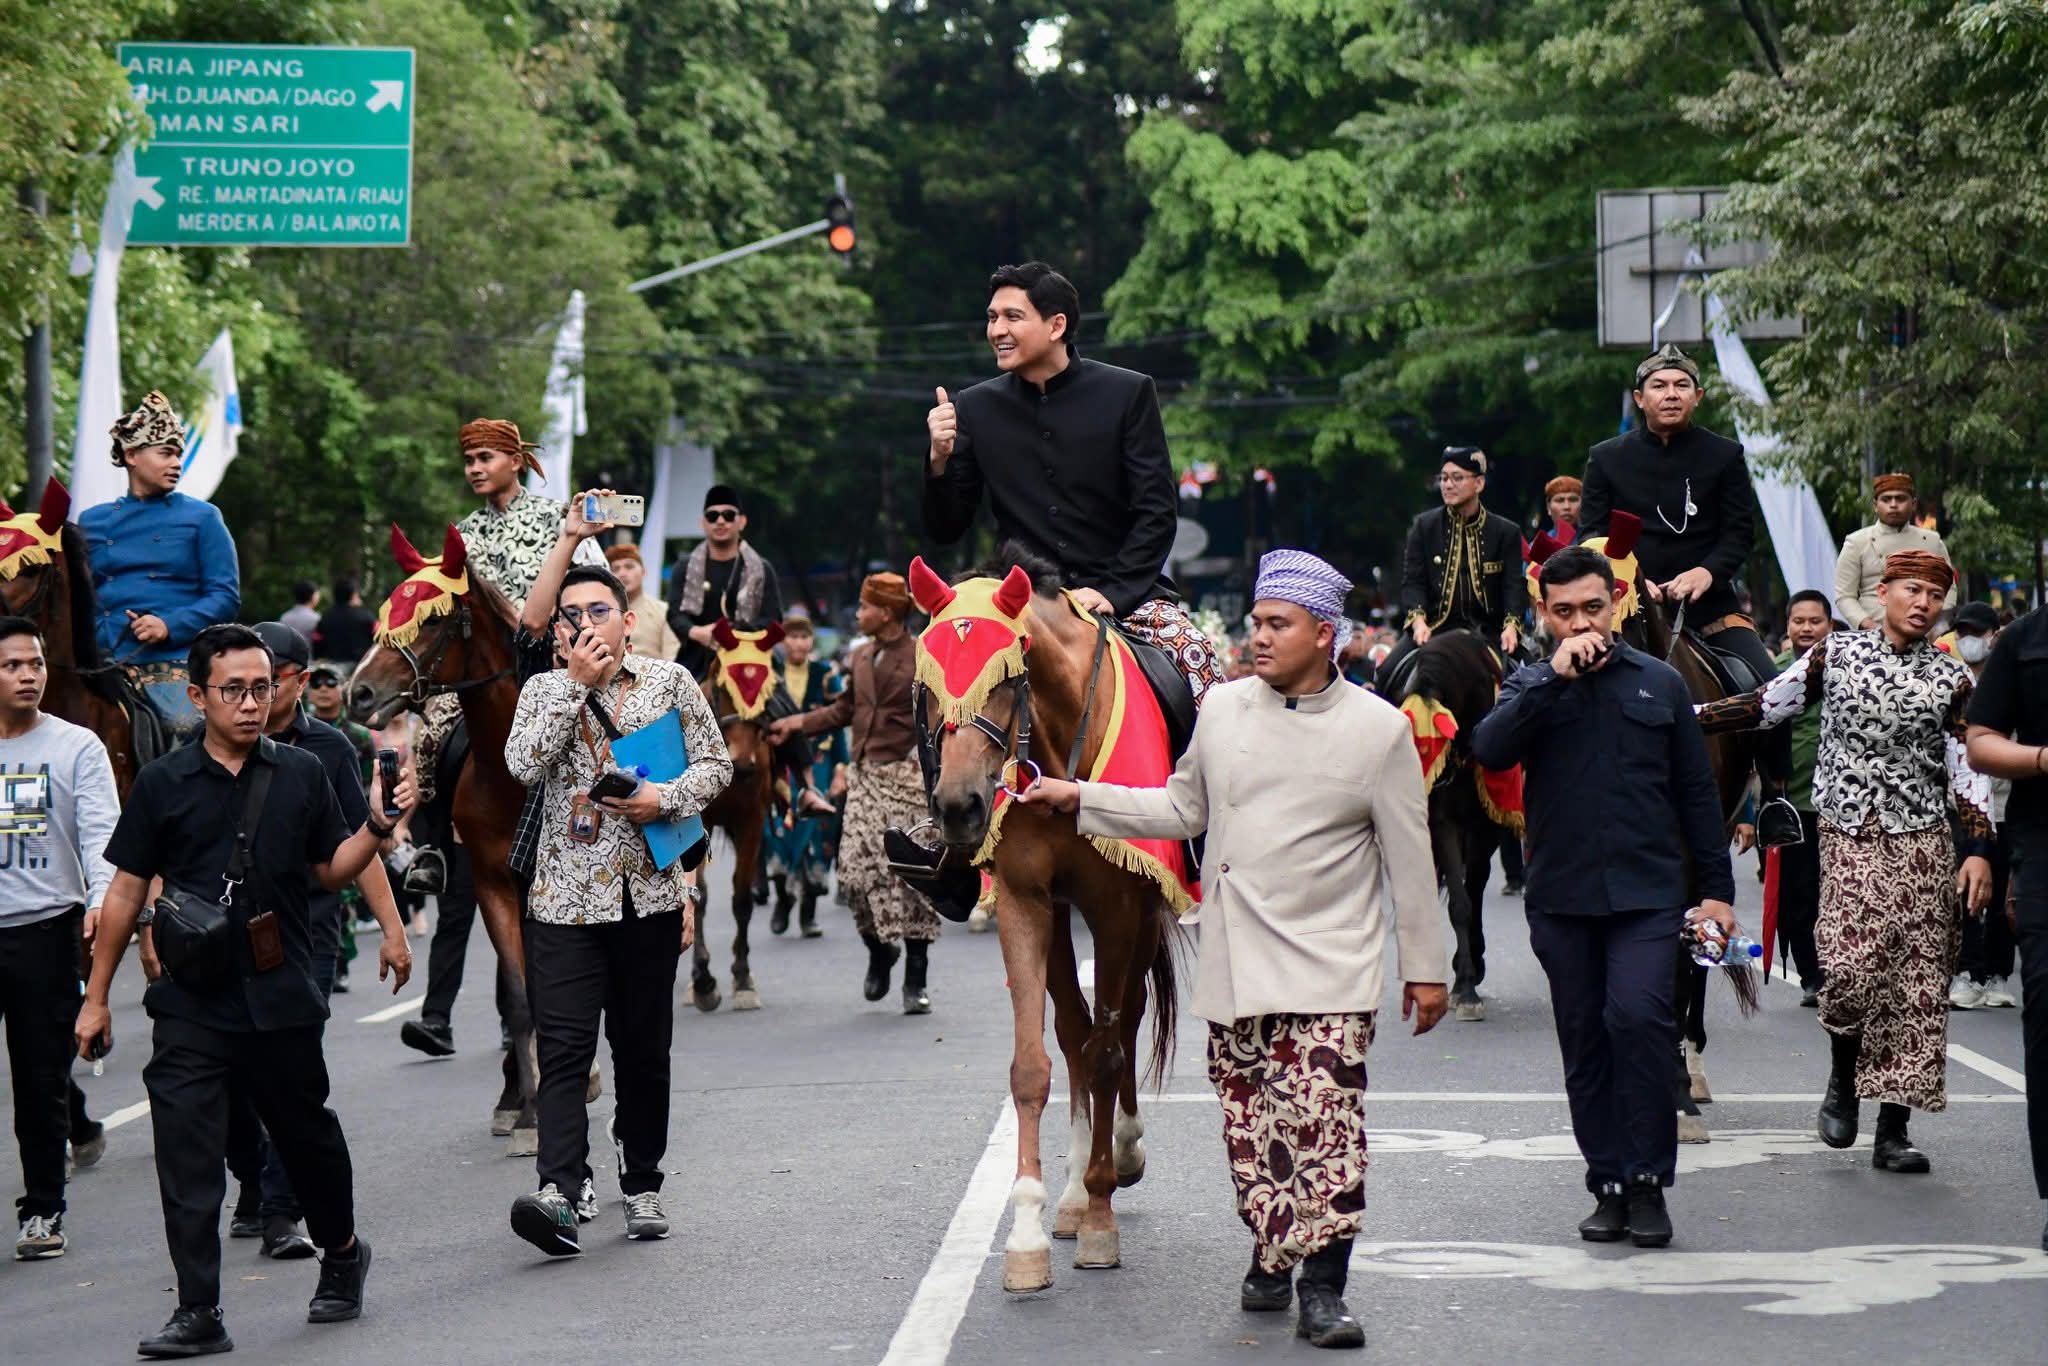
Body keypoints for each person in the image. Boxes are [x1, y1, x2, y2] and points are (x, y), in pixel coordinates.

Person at [1015, 548, 1448, 1349]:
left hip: (1330, 966)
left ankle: (1323, 1287)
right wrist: (1076, 796)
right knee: (1254, 1129)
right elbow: (1182, 807)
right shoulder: (1221, 712)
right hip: (1238, 962)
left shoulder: (1379, 732)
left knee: (1324, 1125)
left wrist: (1426, 969)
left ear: (1326, 635)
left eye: (1277, 625)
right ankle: (1272, 1249)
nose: (1258, 639)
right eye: (1254, 623)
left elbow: (1411, 862)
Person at [73, 623, 413, 1357]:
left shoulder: (300, 773)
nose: (251, 703)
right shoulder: (164, 783)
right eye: (234, 690)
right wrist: (97, 995)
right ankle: (199, 1310)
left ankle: (344, 1253)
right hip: (193, 1002)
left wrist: (379, 829)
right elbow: (128, 889)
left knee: (305, 1138)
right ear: (198, 696)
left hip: (281, 992)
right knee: (187, 1154)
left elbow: (330, 869)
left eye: (262, 687)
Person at [1472, 544, 1736, 1249]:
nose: (1581, 622)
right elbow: (1490, 750)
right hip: (1562, 898)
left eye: (1593, 606)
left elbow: (1694, 794)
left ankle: (1650, 1183)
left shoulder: (1659, 683)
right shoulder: (1528, 685)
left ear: (1616, 602)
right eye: (1564, 612)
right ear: (1544, 614)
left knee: (1640, 1021)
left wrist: (1715, 890)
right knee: (1585, 1039)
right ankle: (1609, 1183)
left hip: (1648, 896)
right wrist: (1551, 681)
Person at [1696, 551, 1994, 1175]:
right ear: (1882, 592)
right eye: (1912, 590)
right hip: (1850, 835)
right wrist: (1685, 717)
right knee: (1854, 967)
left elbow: (1968, 772)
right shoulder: (1837, 655)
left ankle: (1894, 1129)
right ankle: (1841, 1078)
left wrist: (1977, 852)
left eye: (1934, 596)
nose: (1923, 603)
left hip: (1925, 842)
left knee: (1916, 988)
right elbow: (1763, 705)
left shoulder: (1953, 678)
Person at [504, 564, 732, 1256]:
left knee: (641, 1050)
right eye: (568, 615)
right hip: (564, 902)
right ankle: (560, 1191)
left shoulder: (669, 682)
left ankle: (641, 1181)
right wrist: (574, 683)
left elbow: (716, 764)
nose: (582, 625)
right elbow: (521, 763)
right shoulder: (544, 689)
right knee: (565, 1050)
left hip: (649, 897)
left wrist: (662, 800)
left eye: (597, 611)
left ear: (627, 621)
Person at [922, 261, 1221, 701]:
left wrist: (1111, 592)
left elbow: (1156, 514)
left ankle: (1201, 773)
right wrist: (938, 460)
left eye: (1012, 317)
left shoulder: (1128, 393)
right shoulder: (974, 407)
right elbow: (946, 527)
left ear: (1056, 325)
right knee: (939, 674)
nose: (996, 330)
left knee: (1196, 656)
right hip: (1020, 600)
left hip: (1126, 596)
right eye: (992, 317)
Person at [218, 622, 411, 1261]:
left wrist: (392, 930)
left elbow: (362, 842)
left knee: (292, 1075)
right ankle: (253, 1175)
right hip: (225, 933)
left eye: (270, 679)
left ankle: (280, 1208)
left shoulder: (328, 750)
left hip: (307, 928)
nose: (256, 693)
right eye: (244, 682)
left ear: (298, 682)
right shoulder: (209, 743)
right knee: (230, 1081)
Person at [1578, 343, 1798, 847]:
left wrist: (1706, 572)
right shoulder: (1606, 459)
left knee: (1772, 686)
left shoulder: (1725, 455)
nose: (1670, 394)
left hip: (1712, 608)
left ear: (1697, 396)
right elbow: (1589, 532)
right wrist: (1632, 578)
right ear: (1640, 397)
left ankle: (1774, 799)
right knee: (1568, 679)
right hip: (1632, 606)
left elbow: (1740, 533)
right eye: (1659, 386)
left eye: (1680, 386)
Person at [0, 617, 119, 1262]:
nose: (28, 675)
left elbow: (103, 832)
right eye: (12, 665)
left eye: (36, 664)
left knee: (39, 1077)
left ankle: (43, 1208)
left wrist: (103, 901)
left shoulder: (77, 747)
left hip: (45, 929)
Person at [769, 574, 938, 1012]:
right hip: (865, 776)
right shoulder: (861, 656)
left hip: (909, 775)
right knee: (854, 874)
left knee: (914, 875)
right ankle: (881, 951)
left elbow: (943, 710)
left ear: (885, 612)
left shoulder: (924, 653)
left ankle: (915, 976)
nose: (857, 614)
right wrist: (797, 723)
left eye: (863, 608)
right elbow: (846, 709)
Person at [78, 392, 241, 731]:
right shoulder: (91, 520)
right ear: (132, 455)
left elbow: (225, 597)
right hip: (97, 661)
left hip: (170, 662)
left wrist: (169, 624)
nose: (177, 463)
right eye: (166, 453)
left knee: (184, 728)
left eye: (179, 454)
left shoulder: (203, 517)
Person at [1963, 602, 2048, 1252]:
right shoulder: (2024, 640)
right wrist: (2043, 759)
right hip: (2044, 841)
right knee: (2046, 1007)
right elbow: (1981, 739)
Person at [1375, 446, 1526, 693]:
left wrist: (1511, 626)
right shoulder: (1423, 526)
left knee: (1533, 678)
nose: (1447, 485)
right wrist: (1418, 621)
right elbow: (1413, 581)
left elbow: (1513, 585)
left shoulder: (1505, 532)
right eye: (1443, 478)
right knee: (1385, 674)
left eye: (1457, 478)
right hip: (1433, 628)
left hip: (1489, 631)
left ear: (1479, 484)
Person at [1947, 602, 2017, 1009]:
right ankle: (1966, 973)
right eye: (1962, 632)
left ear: (1994, 634)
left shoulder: (2010, 679)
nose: (1969, 640)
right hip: (1964, 809)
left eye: (1977, 631)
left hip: (2007, 803)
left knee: (2005, 887)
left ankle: (1997, 975)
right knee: (1966, 890)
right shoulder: (1952, 682)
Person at [1771, 590, 1835, 1006]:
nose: (1807, 628)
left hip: (1840, 804)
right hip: (1790, 806)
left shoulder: (1849, 668)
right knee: (1797, 894)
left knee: (1839, 892)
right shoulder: (1770, 670)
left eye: (1815, 621)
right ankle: (1811, 974)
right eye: (1799, 621)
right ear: (1788, 625)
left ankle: (1841, 970)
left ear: (1829, 625)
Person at [763, 616, 846, 939]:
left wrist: (841, 769)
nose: (798, 643)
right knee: (779, 831)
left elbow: (838, 723)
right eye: (792, 636)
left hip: (819, 763)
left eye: (804, 636)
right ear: (784, 641)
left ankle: (808, 913)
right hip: (782, 764)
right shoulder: (771, 674)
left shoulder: (825, 676)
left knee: (815, 833)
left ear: (811, 640)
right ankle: (783, 897)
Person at [666, 484, 785, 679]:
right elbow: (674, 614)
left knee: (784, 706)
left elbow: (773, 618)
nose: (720, 521)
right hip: (697, 660)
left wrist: (737, 637)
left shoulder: (762, 568)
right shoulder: (684, 567)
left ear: (742, 521)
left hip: (749, 660)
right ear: (702, 523)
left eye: (728, 515)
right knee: (669, 706)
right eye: (713, 516)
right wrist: (697, 632)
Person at [1834, 473, 1956, 631]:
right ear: (1875, 505)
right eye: (1886, 499)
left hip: (1925, 632)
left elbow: (1949, 587)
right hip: (1873, 632)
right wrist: (1869, 625)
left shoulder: (1932, 541)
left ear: (1913, 504)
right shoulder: (1857, 542)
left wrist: (1937, 626)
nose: (1893, 505)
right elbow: (1845, 596)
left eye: (1900, 499)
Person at [604, 542, 683, 662]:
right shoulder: (600, 613)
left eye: (629, 567)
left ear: (644, 572)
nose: (622, 573)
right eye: (616, 569)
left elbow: (672, 658)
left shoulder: (664, 611)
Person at [312, 578, 375, 668]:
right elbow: (379, 641)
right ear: (353, 595)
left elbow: (317, 644)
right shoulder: (366, 616)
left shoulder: (325, 616)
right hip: (359, 667)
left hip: (330, 668)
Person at [1543, 475, 1582, 543]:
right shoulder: (1538, 546)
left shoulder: (1594, 543)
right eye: (1559, 500)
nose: (1567, 507)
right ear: (1548, 507)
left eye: (1573, 500)